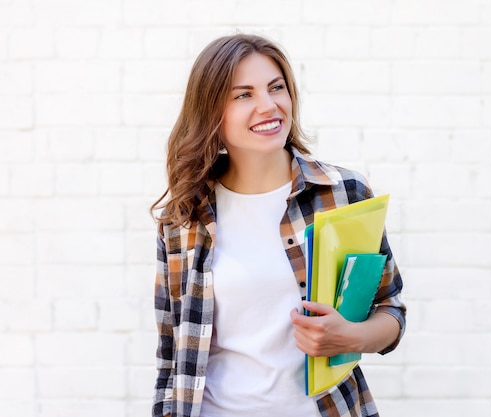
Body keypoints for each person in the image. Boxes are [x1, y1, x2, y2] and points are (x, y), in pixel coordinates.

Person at [150, 33, 406, 417]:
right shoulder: (184, 216)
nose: (268, 106)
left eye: (276, 88)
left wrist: (349, 336)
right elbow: (172, 354)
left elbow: (390, 309)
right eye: (243, 95)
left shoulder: (343, 193)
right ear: (210, 113)